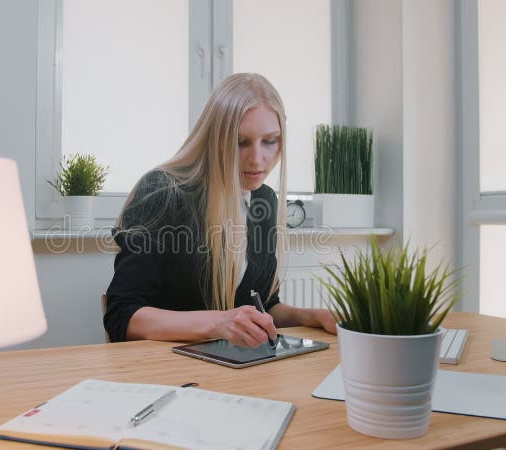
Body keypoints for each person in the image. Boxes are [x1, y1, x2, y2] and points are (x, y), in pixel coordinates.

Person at [104, 73, 336, 347]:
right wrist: (219, 323)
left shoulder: (264, 200)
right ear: (214, 138)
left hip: (232, 367)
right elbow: (122, 315)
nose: (257, 159)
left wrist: (311, 316)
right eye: (241, 142)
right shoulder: (161, 192)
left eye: (270, 141)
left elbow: (263, 307)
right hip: (166, 369)